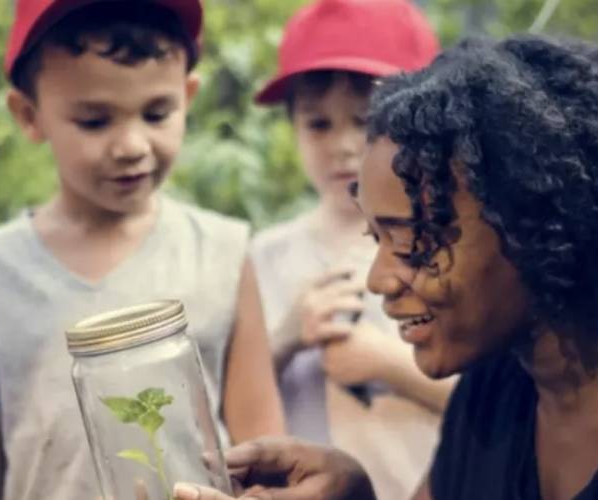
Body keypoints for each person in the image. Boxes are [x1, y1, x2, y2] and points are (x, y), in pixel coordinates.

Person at [172, 34, 598, 500]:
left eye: (414, 241)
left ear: (539, 224)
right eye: (376, 238)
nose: (379, 280)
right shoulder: (508, 367)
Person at [0, 1, 285, 499]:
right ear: (29, 116)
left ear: (188, 96)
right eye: (94, 121)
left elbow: (261, 437)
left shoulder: (222, 252)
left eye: (157, 113)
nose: (131, 145)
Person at [249, 2, 449, 497]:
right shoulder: (262, 259)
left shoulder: (451, 249)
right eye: (318, 124)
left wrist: (388, 365)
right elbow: (230, 406)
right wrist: (285, 338)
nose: (342, 145)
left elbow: (505, 401)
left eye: (365, 122)